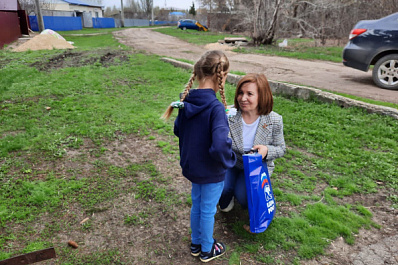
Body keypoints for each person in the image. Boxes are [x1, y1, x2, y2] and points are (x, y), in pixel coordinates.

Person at [162, 50, 236, 262]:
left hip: (192, 167)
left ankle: (196, 242)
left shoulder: (186, 100)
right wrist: (228, 160)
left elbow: (178, 130)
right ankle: (206, 249)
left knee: (198, 205)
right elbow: (221, 146)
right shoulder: (215, 108)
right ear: (222, 76)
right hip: (212, 171)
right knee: (207, 210)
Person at [218, 73, 286, 231]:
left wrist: (267, 151)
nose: (243, 98)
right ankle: (227, 197)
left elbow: (281, 148)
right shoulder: (229, 114)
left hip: (254, 168)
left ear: (262, 96)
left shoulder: (274, 120)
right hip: (230, 162)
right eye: (240, 93)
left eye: (249, 94)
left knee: (244, 197)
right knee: (222, 189)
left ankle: (238, 193)